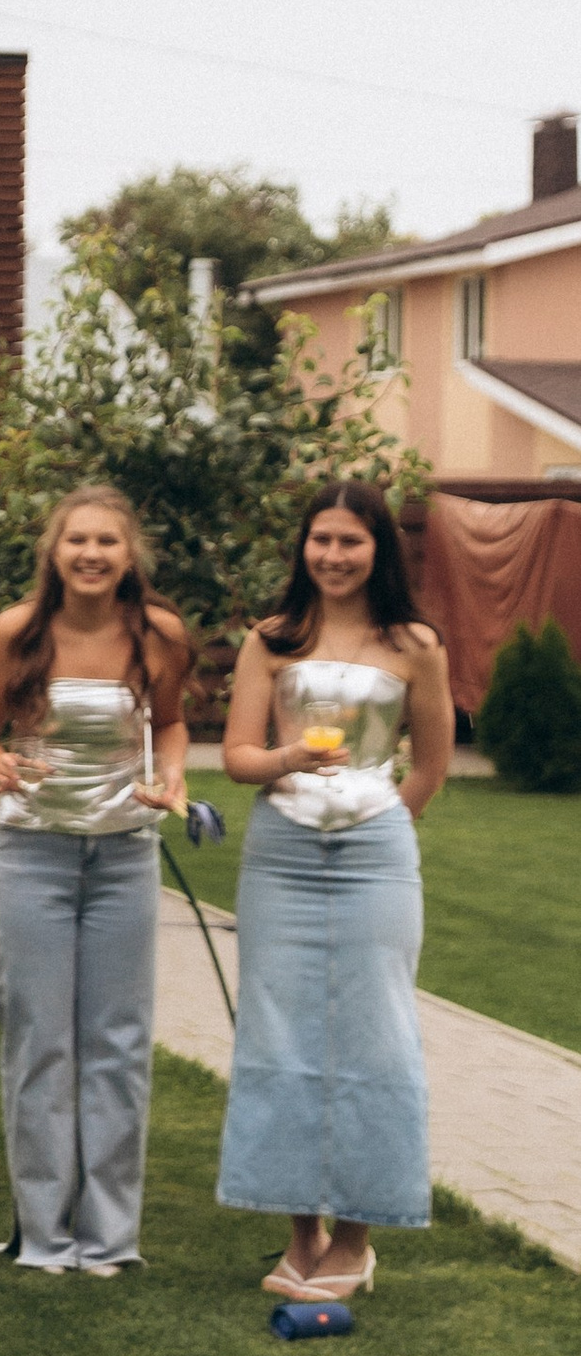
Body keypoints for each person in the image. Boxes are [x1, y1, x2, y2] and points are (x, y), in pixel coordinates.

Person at [217, 479, 452, 1299]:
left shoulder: (415, 643)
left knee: (374, 1033)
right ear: (303, 547)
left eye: (351, 541)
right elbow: (239, 754)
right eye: (322, 540)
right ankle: (300, 1233)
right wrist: (289, 761)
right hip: (281, 851)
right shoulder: (272, 640)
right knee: (278, 1034)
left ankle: (356, 1236)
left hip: (375, 855)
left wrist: (383, 823)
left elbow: (429, 765)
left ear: (379, 548)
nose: (334, 555)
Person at [0, 490, 190, 1274]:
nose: (91, 555)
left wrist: (174, 780)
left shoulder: (158, 634)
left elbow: (173, 723)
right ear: (53, 551)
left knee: (118, 1045)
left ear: (130, 556)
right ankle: (45, 1235)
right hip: (34, 855)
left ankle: (111, 1238)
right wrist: (0, 765)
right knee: (39, 1043)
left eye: (107, 543)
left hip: (125, 855)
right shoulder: (16, 632)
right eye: (77, 541)